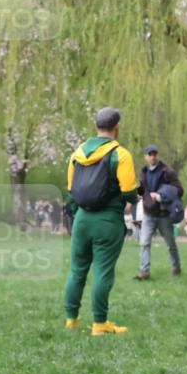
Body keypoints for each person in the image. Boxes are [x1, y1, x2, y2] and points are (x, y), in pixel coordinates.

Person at [63, 107, 139, 335]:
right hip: (107, 221)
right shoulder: (121, 155)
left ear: (96, 127)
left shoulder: (77, 154)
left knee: (77, 270)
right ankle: (99, 324)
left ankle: (71, 320)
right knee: (103, 272)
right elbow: (129, 193)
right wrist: (133, 197)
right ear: (117, 128)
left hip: (82, 220)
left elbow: (71, 190)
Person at [135, 145, 184, 280]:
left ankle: (176, 267)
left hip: (164, 214)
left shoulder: (167, 171)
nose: (152, 157)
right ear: (145, 157)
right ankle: (144, 272)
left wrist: (162, 195)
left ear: (157, 155)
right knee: (144, 243)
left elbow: (179, 189)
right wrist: (138, 195)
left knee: (171, 244)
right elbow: (141, 188)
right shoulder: (144, 172)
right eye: (150, 154)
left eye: (154, 154)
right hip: (149, 214)